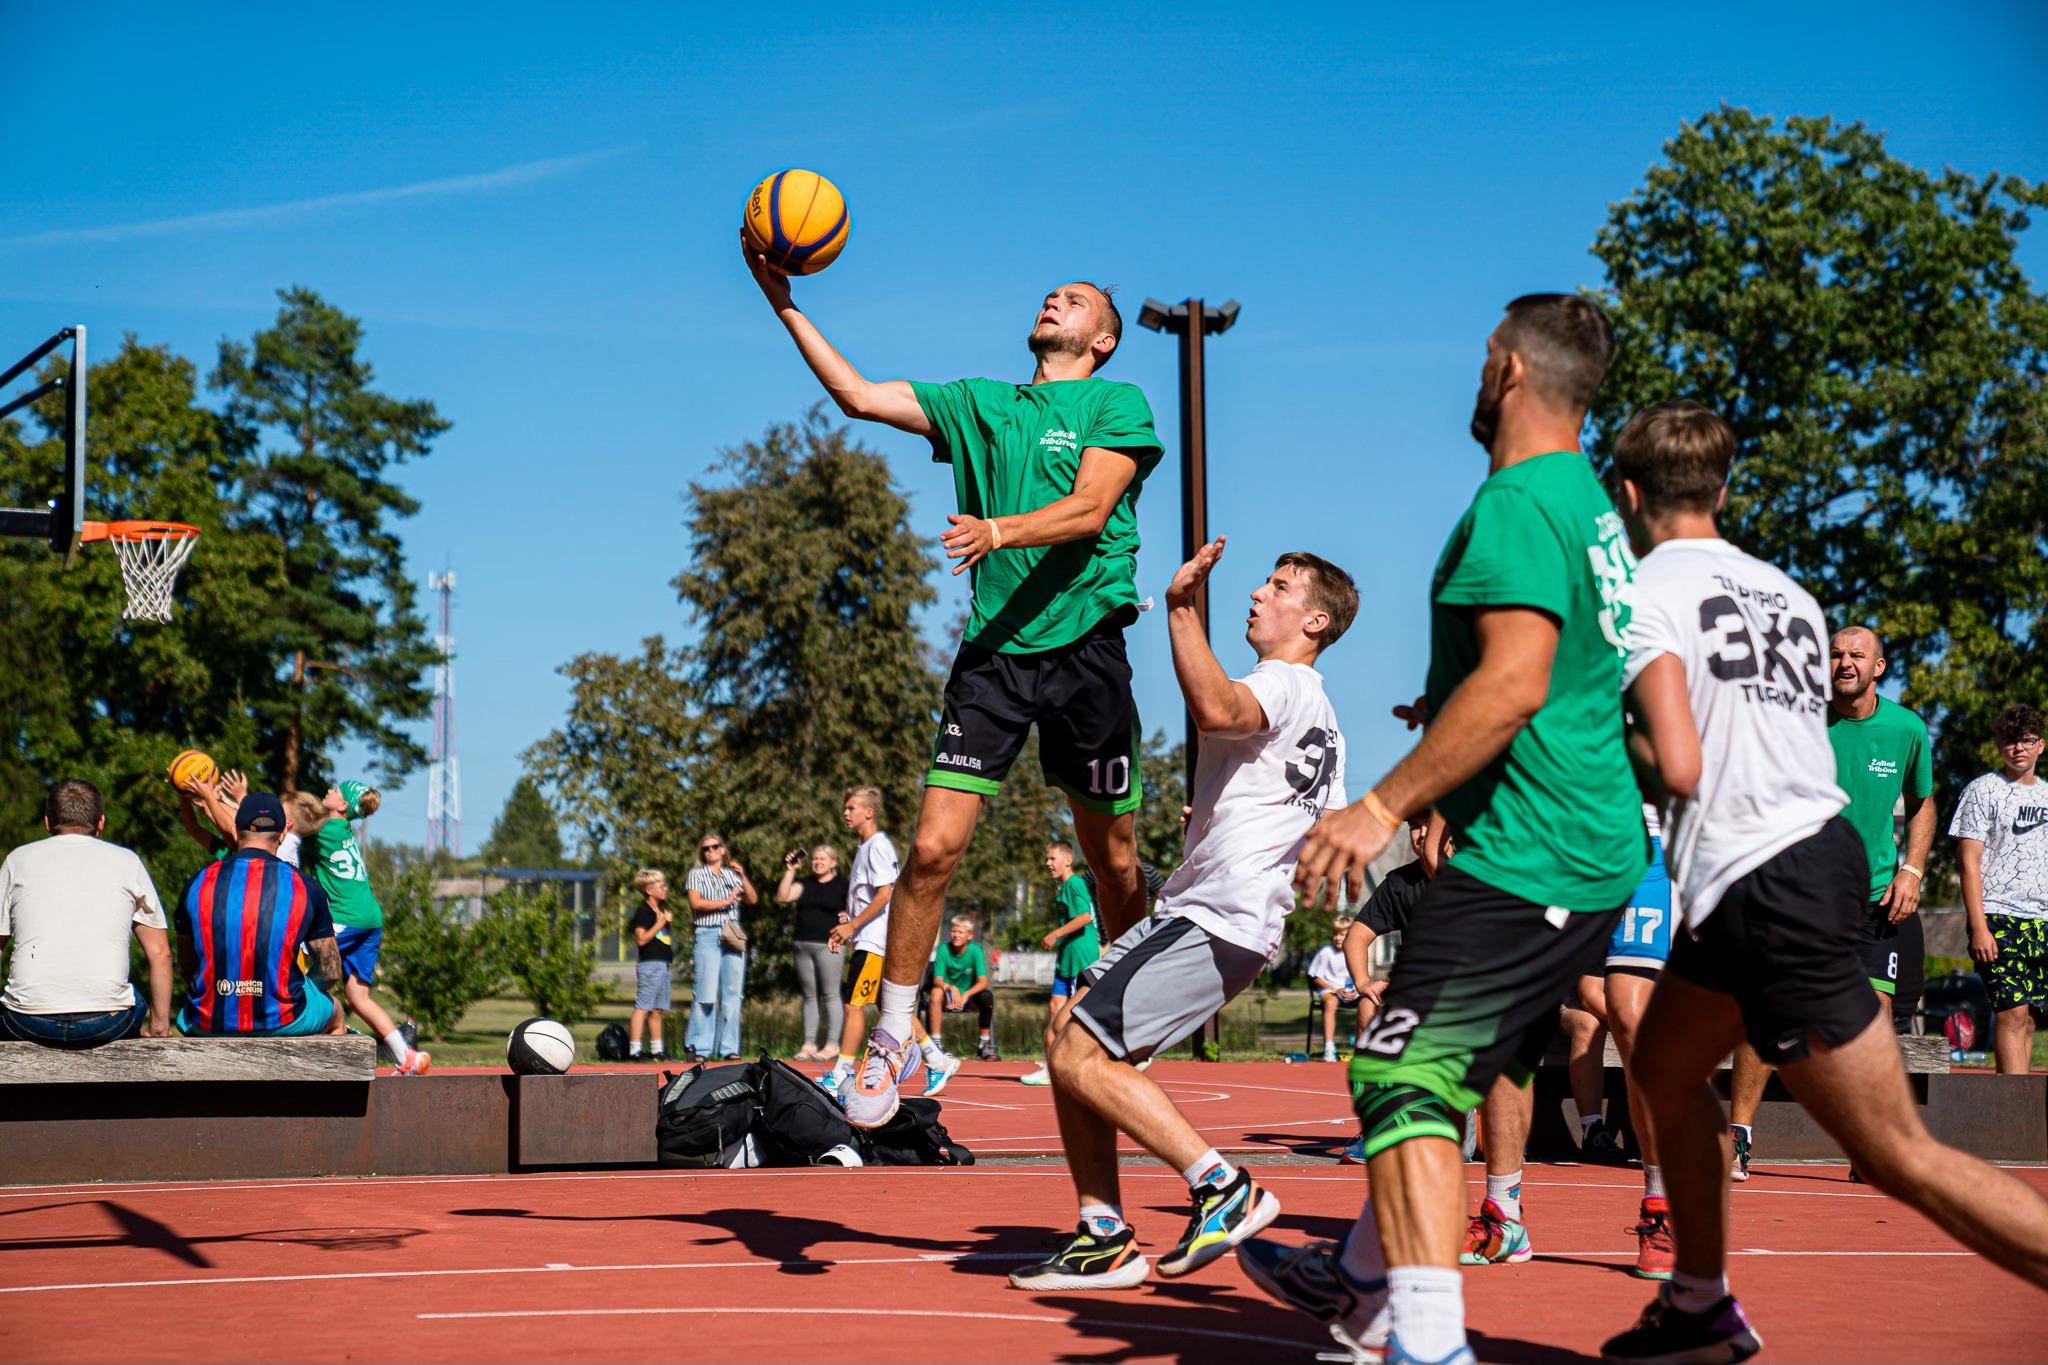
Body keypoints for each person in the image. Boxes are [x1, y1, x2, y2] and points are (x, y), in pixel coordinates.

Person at [1588, 399, 2048, 1362]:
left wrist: (1587, 735)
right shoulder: (1789, 596)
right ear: (1722, 490)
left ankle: (1702, 1297)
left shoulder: (1640, 592)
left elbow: (1677, 763)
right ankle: (1701, 1300)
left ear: (1626, 492)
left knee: (1896, 1153)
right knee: (1664, 1066)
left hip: (1765, 875)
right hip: (1799, 861)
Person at [1240, 295, 1646, 1365]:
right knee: (1442, 1066)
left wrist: (1378, 805)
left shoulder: (1517, 501)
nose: (1475, 373)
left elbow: (1515, 683)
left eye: (1483, 355)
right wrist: (1448, 704)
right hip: (1582, 842)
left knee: (1400, 1074)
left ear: (1510, 370)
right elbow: (1564, 675)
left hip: (1533, 847)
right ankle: (1363, 1276)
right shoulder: (1587, 506)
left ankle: (1422, 1338)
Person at [747, 249, 1164, 1128]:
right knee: (932, 850)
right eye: (1051, 292)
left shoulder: (1114, 403)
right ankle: (893, 1035)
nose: (1054, 298)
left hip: (1087, 648)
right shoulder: (981, 403)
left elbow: (1091, 509)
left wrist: (997, 530)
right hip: (994, 658)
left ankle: (1131, 1002)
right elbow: (859, 395)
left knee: (1116, 861)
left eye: (1075, 299)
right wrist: (783, 303)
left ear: (1102, 338)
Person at [1010, 540, 1354, 1292]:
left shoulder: (1284, 683)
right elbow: (1311, 819)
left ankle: (1223, 1187)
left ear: (1316, 620)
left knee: (1078, 1052)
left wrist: (1178, 609)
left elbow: (1216, 708)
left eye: (1280, 586)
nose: (1259, 594)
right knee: (1068, 1038)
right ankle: (1102, 1234)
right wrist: (1220, 825)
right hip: (1224, 915)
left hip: (1218, 915)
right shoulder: (1326, 719)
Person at [1726, 626, 1934, 1178]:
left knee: (1874, 1018)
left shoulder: (1907, 729)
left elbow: (1922, 802)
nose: (1844, 663)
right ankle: (1739, 1136)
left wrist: (1912, 869)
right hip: (1800, 894)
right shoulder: (1800, 721)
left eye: (1856, 656)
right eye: (1836, 654)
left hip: (1874, 897)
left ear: (1878, 667)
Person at [1334, 811, 1542, 1270]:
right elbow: (1359, 935)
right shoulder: (1406, 881)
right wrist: (1364, 982)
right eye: (1414, 824)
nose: (1422, 833)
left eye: (1429, 822)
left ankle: (1502, 1209)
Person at [1567, 802, 1677, 1278]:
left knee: (1640, 1023)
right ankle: (1502, 1208)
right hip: (1571, 841)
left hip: (1670, 843)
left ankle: (1662, 1202)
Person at [0, 779, 173, 1047]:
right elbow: (160, 953)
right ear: (101, 822)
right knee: (133, 1000)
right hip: (106, 1021)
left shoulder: (17, 860)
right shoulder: (128, 862)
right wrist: (159, 1026)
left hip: (27, 1020)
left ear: (47, 823)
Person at [822, 787, 955, 1098]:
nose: (846, 813)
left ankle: (840, 1072)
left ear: (869, 812)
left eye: (852, 808)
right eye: (845, 808)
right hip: (868, 939)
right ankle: (937, 1060)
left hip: (875, 943)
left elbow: (886, 894)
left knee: (853, 1006)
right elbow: (871, 897)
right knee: (890, 1008)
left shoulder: (877, 845)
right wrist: (849, 921)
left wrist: (853, 925)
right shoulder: (865, 848)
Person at [176, 794, 344, 1036]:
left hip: (208, 1022)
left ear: (236, 829)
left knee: (186, 1015)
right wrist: (306, 987)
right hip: (283, 1019)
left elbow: (186, 967)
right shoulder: (305, 886)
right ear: (282, 834)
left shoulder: (198, 883)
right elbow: (331, 971)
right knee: (336, 1011)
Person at [302, 781, 429, 1074]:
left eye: (336, 790)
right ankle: (407, 1057)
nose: (329, 790)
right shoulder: (342, 829)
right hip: (370, 918)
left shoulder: (325, 831)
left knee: (301, 976)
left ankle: (330, 1033)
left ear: (343, 805)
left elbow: (283, 830)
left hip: (347, 918)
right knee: (358, 998)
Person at [1953, 703, 2047, 1075]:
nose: (2018, 748)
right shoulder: (1982, 790)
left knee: (2030, 1019)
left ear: (2040, 745)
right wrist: (1979, 926)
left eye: (2026, 740)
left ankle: (2022, 1105)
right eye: (2010, 741)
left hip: (2041, 919)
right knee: (2011, 1012)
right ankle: (2013, 1106)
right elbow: (1968, 862)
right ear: (1999, 746)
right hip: (1998, 915)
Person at [1019, 841, 1099, 1086]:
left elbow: (1085, 917)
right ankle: (1050, 1066)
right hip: (1066, 957)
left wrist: (1055, 934)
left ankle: (1090, 1061)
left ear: (1068, 860)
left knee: (1075, 1015)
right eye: (1046, 859)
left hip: (1080, 956)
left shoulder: (1075, 883)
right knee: (1055, 1008)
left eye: (1052, 858)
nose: (1048, 863)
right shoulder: (1063, 888)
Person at [684, 833, 756, 1061]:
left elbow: (752, 899)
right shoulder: (696, 874)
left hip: (731, 933)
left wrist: (743, 877)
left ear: (723, 849)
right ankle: (699, 1047)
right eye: (706, 848)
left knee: (733, 993)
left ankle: (729, 1047)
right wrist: (726, 901)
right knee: (705, 991)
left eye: (715, 847)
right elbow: (695, 903)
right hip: (707, 932)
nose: (710, 851)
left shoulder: (731, 875)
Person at [779, 844, 848, 1062]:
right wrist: (790, 871)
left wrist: (849, 920)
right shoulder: (805, 883)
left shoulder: (843, 885)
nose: (818, 862)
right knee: (809, 996)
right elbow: (783, 896)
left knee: (831, 994)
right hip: (802, 944)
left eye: (823, 859)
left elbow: (856, 910)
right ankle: (809, 1043)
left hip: (830, 945)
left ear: (833, 863)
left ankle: (832, 1044)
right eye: (815, 859)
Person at [926, 915, 996, 1060]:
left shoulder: (975, 951)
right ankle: (936, 1043)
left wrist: (965, 995)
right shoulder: (943, 949)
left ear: (970, 935)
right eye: (953, 931)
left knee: (987, 996)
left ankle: (984, 1044)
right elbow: (938, 980)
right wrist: (951, 989)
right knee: (935, 992)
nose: (956, 935)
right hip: (947, 996)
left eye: (960, 932)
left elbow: (983, 982)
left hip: (968, 999)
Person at [627, 868, 674, 1062]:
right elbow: (641, 939)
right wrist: (660, 923)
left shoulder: (661, 911)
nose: (665, 889)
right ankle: (635, 1050)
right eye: (661, 886)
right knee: (643, 1007)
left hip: (663, 964)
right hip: (650, 964)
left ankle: (657, 1050)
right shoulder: (644, 912)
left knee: (658, 1009)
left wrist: (665, 921)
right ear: (649, 890)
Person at [1308, 918, 1360, 1064]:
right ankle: (1329, 1048)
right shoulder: (1326, 952)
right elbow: (1316, 978)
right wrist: (1335, 990)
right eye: (1335, 934)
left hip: (1351, 992)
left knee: (1369, 1002)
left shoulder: (1355, 952)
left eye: (1341, 934)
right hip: (1329, 990)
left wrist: (1355, 990)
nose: (1337, 938)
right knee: (1331, 1002)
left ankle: (1362, 1046)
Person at [176, 768, 247, 860]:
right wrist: (182, 793)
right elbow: (193, 828)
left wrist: (210, 799)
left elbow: (233, 827)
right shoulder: (226, 850)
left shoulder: (242, 851)